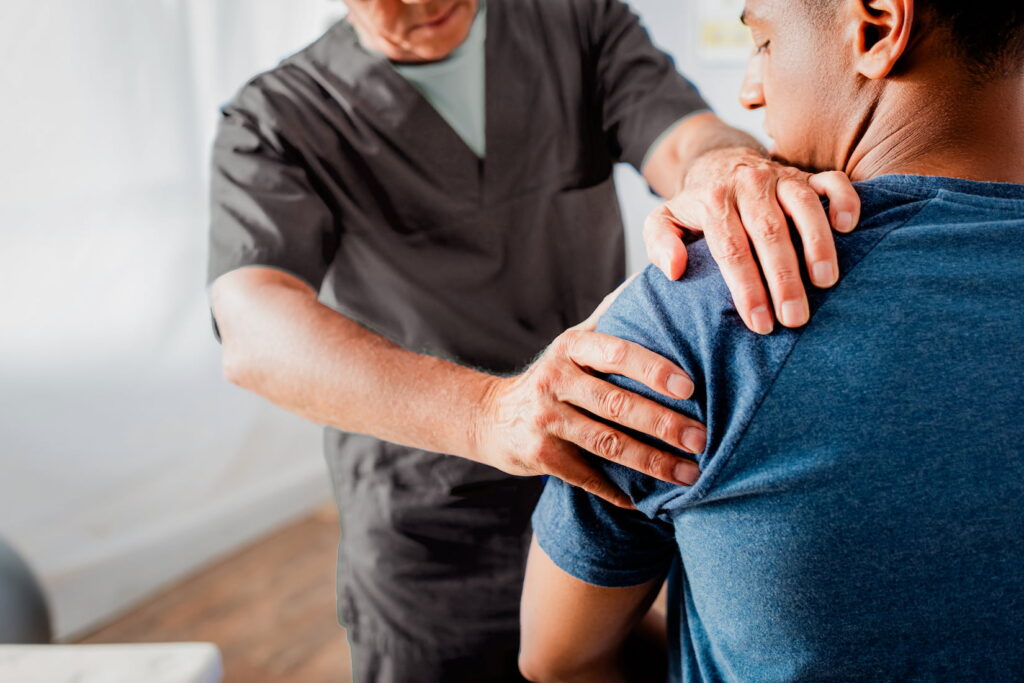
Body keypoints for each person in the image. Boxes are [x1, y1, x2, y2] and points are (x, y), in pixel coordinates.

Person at [206, 0, 861, 680]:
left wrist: (723, 168)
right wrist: (489, 413)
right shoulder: (275, 119)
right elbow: (254, 327)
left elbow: (679, 135)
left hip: (609, 502)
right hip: (430, 528)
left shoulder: (576, 24)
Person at [521, 0, 1024, 680]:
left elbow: (560, 657)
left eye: (763, 41)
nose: (750, 90)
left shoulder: (713, 306)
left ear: (876, 26)